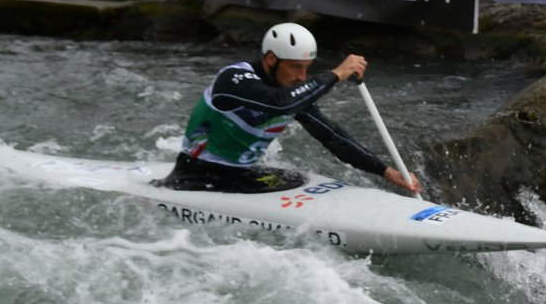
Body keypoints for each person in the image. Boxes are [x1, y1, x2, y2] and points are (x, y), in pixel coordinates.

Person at [161, 22, 421, 194]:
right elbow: (279, 103)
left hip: (239, 176)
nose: (301, 77)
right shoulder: (232, 80)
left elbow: (332, 136)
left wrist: (385, 171)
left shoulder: (293, 93)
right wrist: (337, 73)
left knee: (298, 179)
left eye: (306, 69)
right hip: (195, 179)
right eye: (295, 67)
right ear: (271, 59)